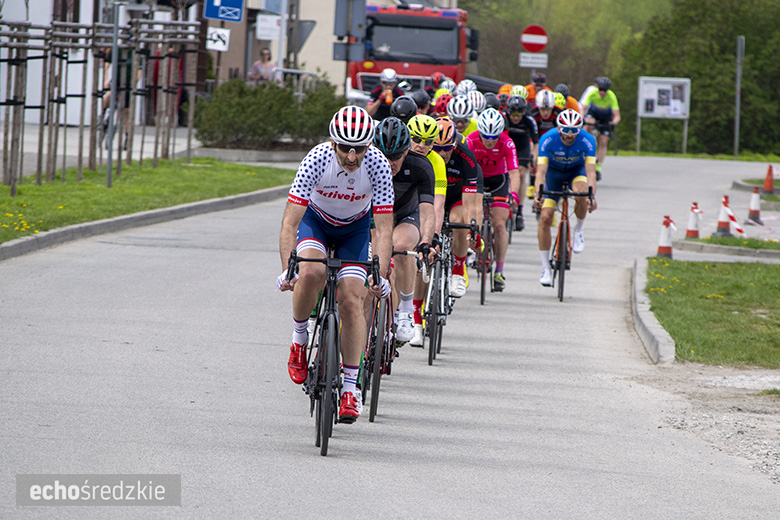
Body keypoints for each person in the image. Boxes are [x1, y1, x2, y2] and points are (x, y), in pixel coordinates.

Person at [277, 106, 394, 423]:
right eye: (345, 148)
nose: (353, 157)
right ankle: (299, 340)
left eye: (360, 149)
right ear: (333, 142)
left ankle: (350, 389)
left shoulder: (379, 166)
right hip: (316, 222)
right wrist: (290, 268)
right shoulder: (317, 159)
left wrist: (379, 274)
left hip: (354, 230)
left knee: (352, 299)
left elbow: (383, 229)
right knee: (311, 271)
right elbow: (290, 223)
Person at [373, 117, 436, 343]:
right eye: (383, 155)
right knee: (373, 256)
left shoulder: (420, 166)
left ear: (407, 151)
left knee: (400, 247)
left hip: (406, 215)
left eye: (396, 157)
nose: (389, 163)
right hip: (376, 215)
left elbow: (428, 212)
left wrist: (427, 241)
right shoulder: (366, 162)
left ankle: (407, 311)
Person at [533, 109, 598, 286]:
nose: (570, 135)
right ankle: (545, 267)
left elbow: (591, 172)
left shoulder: (588, 140)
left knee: (581, 192)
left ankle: (578, 230)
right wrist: (538, 194)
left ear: (580, 129)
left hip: (576, 173)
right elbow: (541, 171)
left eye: (574, 130)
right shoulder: (547, 138)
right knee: (545, 218)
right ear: (559, 128)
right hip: (552, 176)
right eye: (566, 130)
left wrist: (591, 196)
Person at [466, 108, 520, 292]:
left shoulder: (507, 142)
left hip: (498, 181)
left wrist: (513, 194)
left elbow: (514, 172)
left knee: (499, 225)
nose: (490, 141)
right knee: (472, 218)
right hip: (477, 180)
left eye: (494, 137)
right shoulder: (471, 140)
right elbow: (465, 169)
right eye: (486, 136)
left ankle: (499, 270)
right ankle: (472, 251)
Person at [433, 117, 482, 298]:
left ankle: (458, 271)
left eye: (447, 148)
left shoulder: (466, 157)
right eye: (437, 148)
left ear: (454, 145)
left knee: (459, 221)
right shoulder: (426, 157)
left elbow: (470, 204)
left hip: (456, 196)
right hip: (432, 196)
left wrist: (472, 227)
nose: (442, 153)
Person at [504, 95, 539, 232]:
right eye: (513, 113)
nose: (516, 117)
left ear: (524, 112)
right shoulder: (504, 118)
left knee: (521, 174)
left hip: (522, 149)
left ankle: (519, 210)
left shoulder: (529, 120)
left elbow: (536, 142)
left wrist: (533, 159)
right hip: (507, 146)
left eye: (519, 114)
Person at [581, 76, 620, 180]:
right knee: (588, 124)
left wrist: (613, 124)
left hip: (606, 117)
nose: (602, 92)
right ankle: (586, 145)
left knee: (603, 141)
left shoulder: (611, 96)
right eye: (600, 90)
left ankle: (598, 167)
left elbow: (617, 116)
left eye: (605, 90)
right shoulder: (593, 93)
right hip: (594, 114)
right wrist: (581, 119)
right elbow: (583, 108)